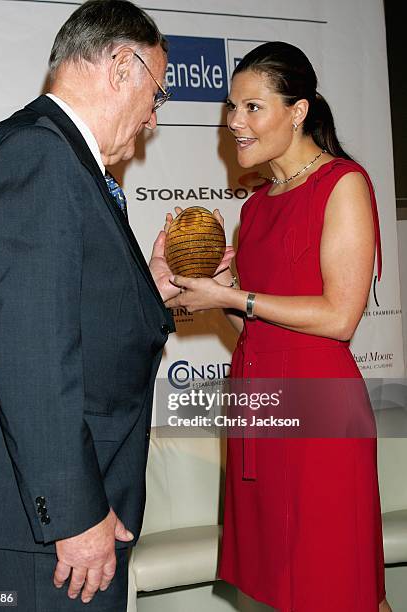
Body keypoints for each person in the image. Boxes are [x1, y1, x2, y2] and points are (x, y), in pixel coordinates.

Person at [0, 1, 185, 610]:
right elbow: (31, 354)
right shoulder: (41, 156)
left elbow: (62, 312)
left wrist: (150, 288)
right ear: (120, 65)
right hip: (50, 535)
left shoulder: (54, 155)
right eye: (156, 94)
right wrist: (76, 517)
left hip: (53, 520)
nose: (151, 120)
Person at [166, 42, 392, 612]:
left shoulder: (342, 184)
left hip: (318, 410)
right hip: (259, 406)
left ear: (298, 111)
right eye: (231, 108)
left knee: (336, 586)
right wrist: (208, 288)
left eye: (251, 108)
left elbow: (340, 317)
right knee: (279, 590)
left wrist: (234, 293)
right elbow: (258, 315)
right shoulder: (256, 206)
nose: (233, 123)